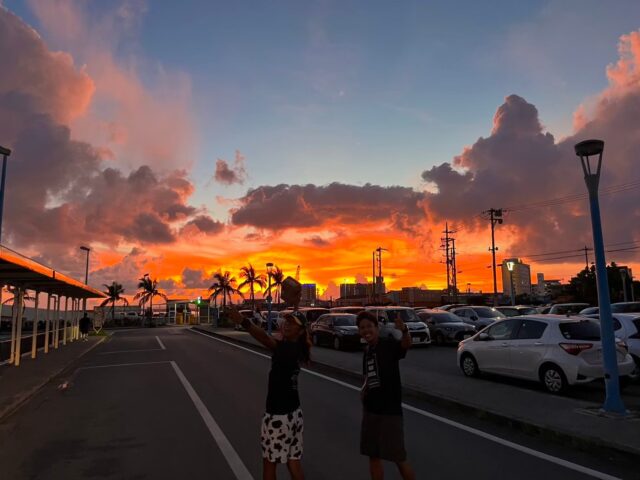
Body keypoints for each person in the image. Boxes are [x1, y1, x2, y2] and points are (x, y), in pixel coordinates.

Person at [229, 307, 311, 480]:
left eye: (293, 324)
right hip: (294, 414)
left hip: (278, 417)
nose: (287, 325)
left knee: (269, 463)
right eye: (287, 321)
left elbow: (265, 338)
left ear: (301, 331)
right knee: (292, 460)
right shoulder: (299, 348)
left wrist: (244, 321)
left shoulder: (287, 349)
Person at [357, 311, 415, 480]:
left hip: (390, 412)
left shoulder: (388, 345)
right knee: (373, 455)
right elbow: (369, 375)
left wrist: (404, 330)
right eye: (362, 328)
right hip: (371, 411)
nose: (366, 330)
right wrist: (364, 389)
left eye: (369, 326)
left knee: (398, 457)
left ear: (377, 327)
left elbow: (405, 345)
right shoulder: (367, 350)